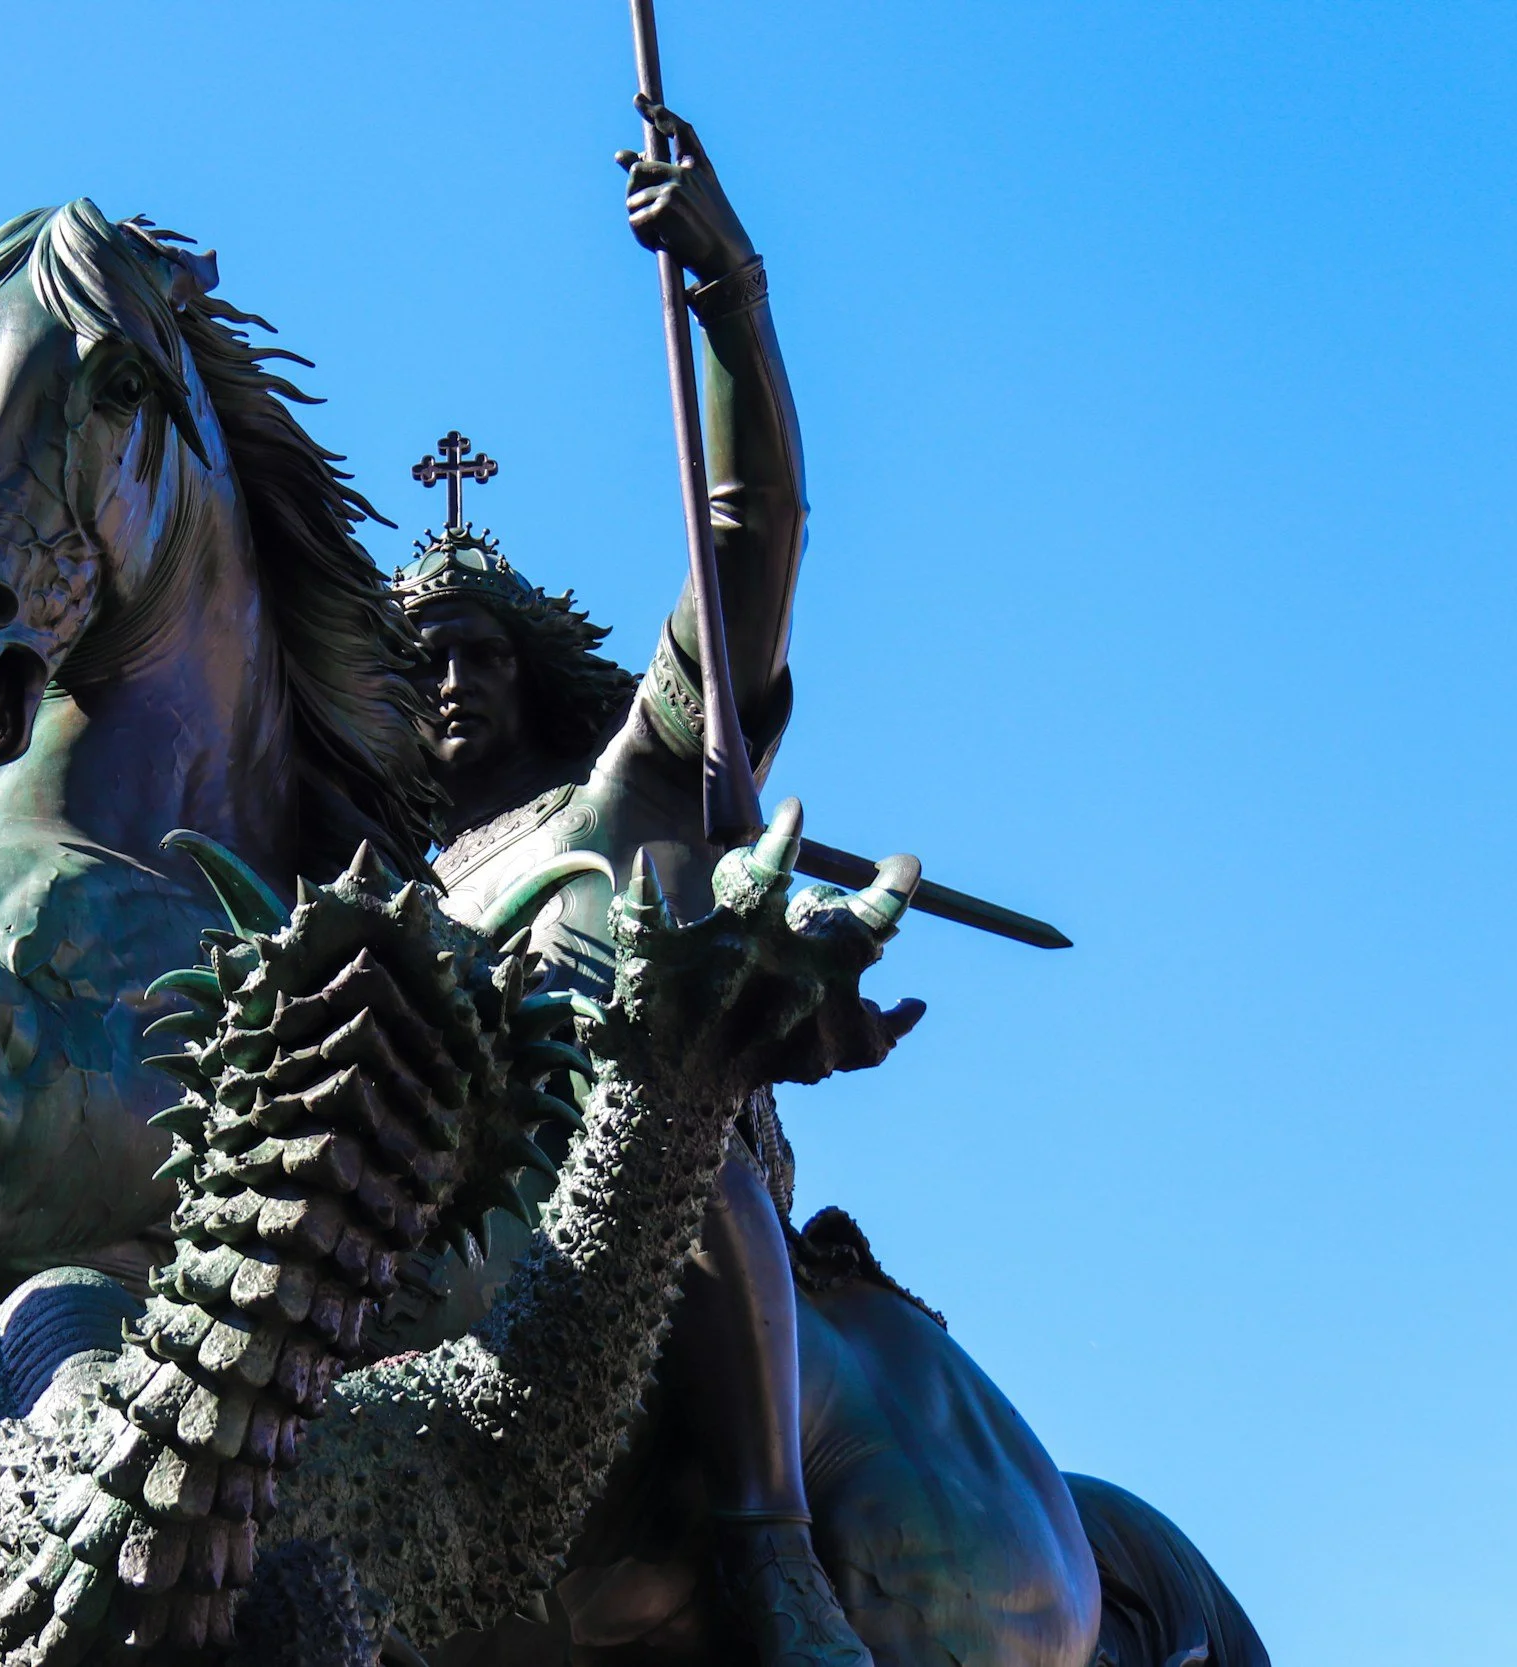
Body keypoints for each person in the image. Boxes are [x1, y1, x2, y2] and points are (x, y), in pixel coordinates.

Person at [395, 98, 907, 1667]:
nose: (450, 685)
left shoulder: (618, 790)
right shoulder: (374, 894)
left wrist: (733, 300)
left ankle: (766, 1541)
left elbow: (750, 544)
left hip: (644, 1164)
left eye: (476, 652)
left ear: (531, 673)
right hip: (416, 1219)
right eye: (419, 666)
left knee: (673, 1161)